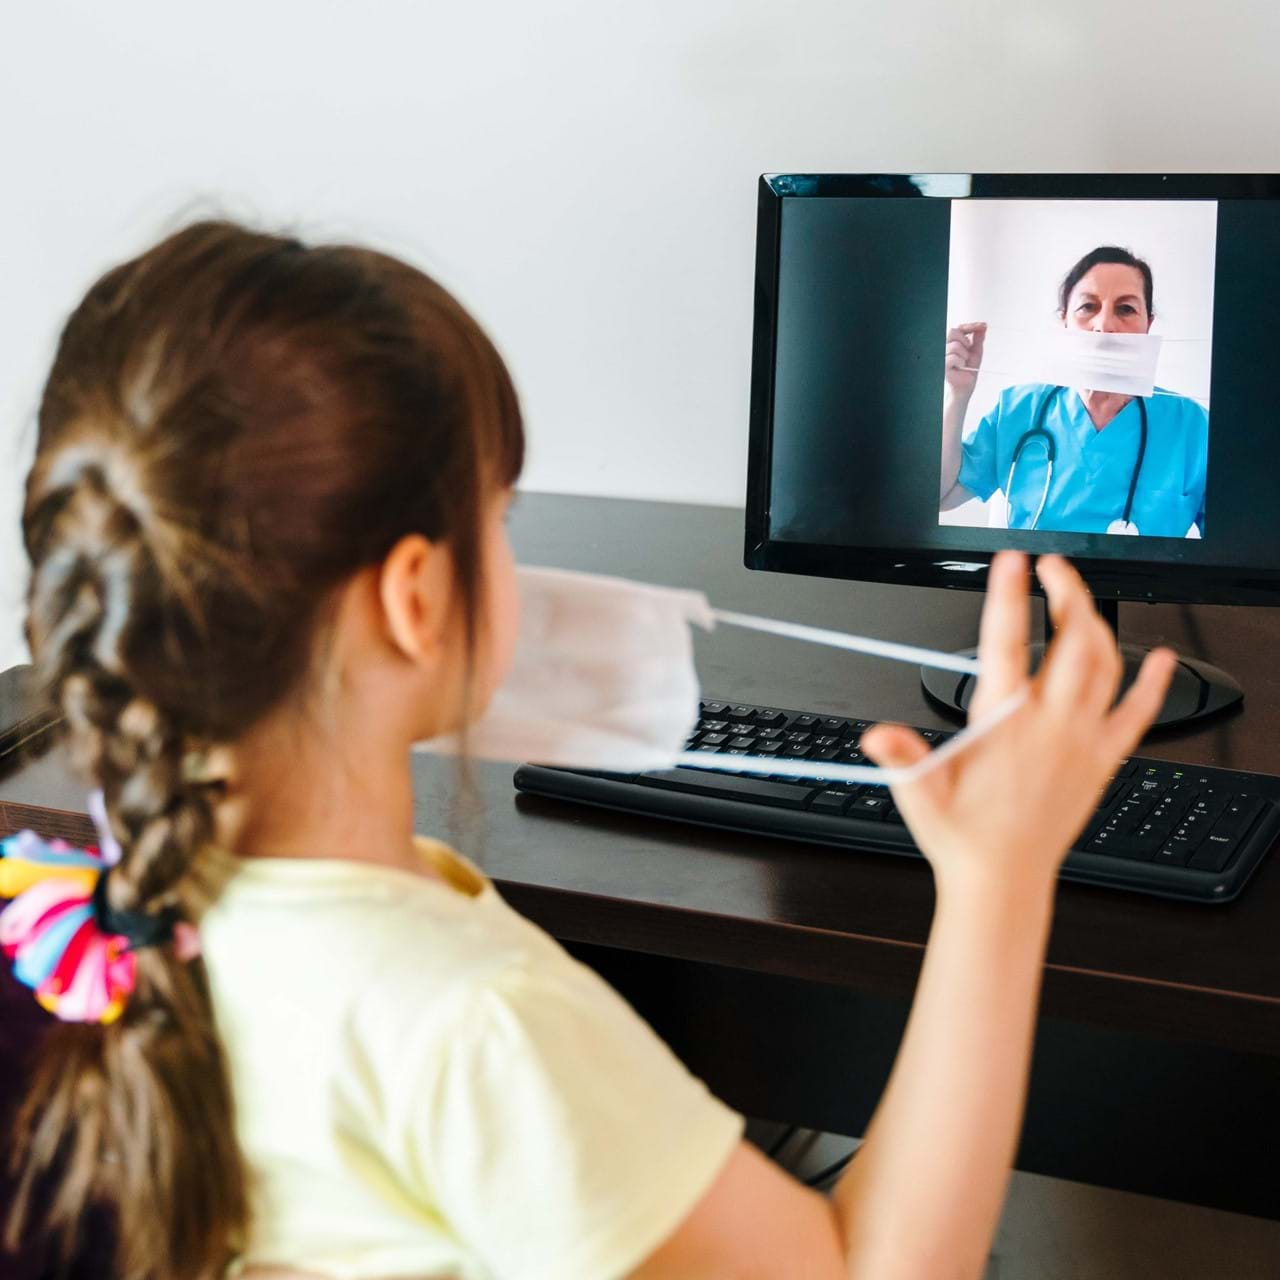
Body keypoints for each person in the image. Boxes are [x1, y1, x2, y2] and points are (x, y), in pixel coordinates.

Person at [5, 220, 1174, 1280]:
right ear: (418, 594)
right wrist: (998, 875)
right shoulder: (477, 1021)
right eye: (499, 518)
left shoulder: (115, 914)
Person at [939, 245, 1209, 537]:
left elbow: (1236, 543)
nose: (1104, 325)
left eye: (1126, 309)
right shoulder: (1018, 409)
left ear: (1148, 324)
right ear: (1064, 320)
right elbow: (942, 496)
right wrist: (958, 394)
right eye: (1088, 307)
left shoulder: (1193, 427)